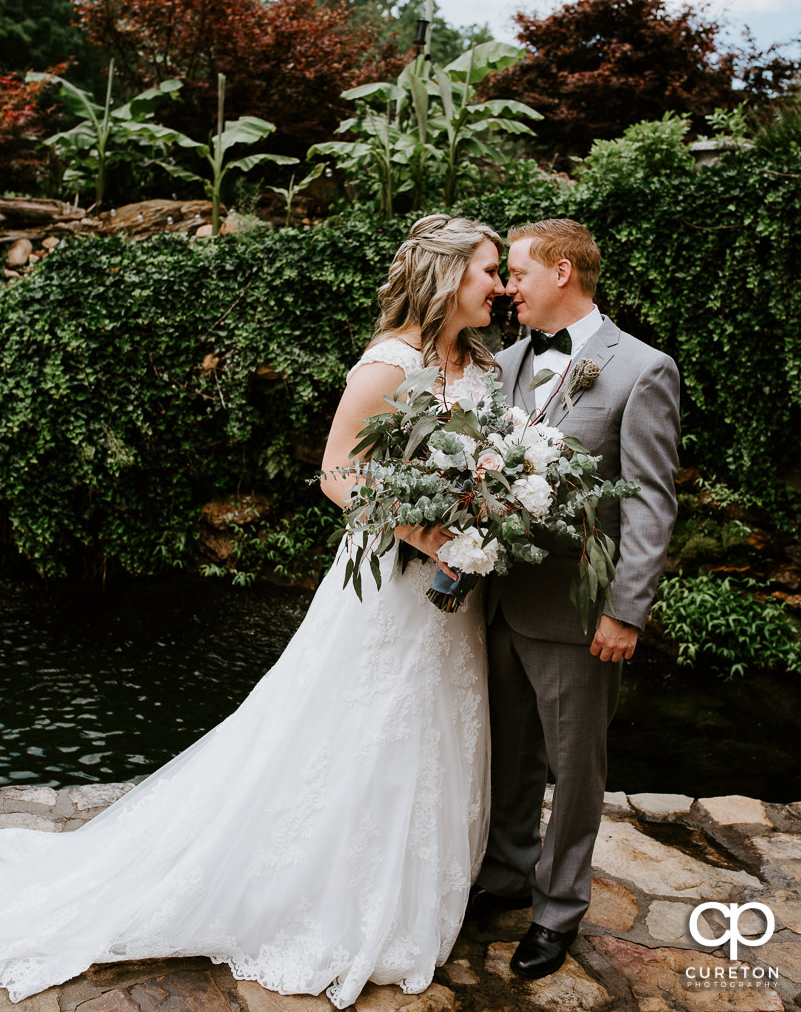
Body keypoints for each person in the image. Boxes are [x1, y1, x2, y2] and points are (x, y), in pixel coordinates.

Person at [0, 213, 505, 1008]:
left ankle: (412, 887)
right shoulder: (389, 362)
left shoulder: (479, 361)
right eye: (488, 270)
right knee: (355, 727)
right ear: (444, 273)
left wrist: (483, 509)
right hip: (388, 581)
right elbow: (339, 474)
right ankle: (320, 889)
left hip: (453, 583)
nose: (500, 285)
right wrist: (423, 531)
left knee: (434, 726)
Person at [469, 219, 680, 981]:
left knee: (574, 769)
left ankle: (557, 911)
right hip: (493, 601)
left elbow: (651, 503)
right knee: (508, 755)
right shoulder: (501, 364)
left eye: (517, 273)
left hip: (577, 612)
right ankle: (503, 875)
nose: (505, 289)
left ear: (561, 272)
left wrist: (625, 611)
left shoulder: (642, 369)